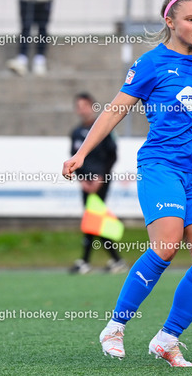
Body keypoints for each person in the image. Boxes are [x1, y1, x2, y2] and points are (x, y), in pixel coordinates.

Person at [62, 0, 192, 368]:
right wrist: (81, 153)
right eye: (191, 19)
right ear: (170, 22)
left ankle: (167, 338)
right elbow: (114, 111)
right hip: (162, 167)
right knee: (166, 245)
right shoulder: (150, 63)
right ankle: (115, 327)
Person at [69, 92, 127, 275]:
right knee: (93, 219)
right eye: (79, 106)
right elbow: (74, 157)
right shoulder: (76, 133)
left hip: (101, 181)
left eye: (85, 105)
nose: (82, 110)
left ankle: (88, 261)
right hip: (85, 183)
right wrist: (81, 179)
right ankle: (114, 260)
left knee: (93, 218)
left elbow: (112, 156)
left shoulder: (102, 130)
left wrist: (101, 177)